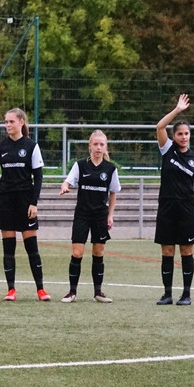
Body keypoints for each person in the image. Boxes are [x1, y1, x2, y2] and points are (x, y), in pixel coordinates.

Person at [0, 107, 50, 302]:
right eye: (6, 122)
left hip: (25, 201)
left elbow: (38, 177)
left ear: (21, 122)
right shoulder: (0, 147)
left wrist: (34, 203)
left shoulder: (31, 146)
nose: (7, 125)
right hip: (6, 201)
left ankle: (41, 290)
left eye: (11, 121)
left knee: (32, 249)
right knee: (8, 249)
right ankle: (11, 290)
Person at [154, 94, 194, 306]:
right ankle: (167, 294)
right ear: (174, 136)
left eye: (186, 134)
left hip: (187, 209)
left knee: (186, 251)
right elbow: (159, 126)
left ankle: (186, 294)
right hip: (167, 207)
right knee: (167, 251)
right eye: (180, 134)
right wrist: (177, 110)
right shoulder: (167, 149)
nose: (184, 137)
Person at [58, 130, 121, 303]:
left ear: (105, 147)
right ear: (90, 146)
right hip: (82, 214)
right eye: (95, 144)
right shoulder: (80, 165)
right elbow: (68, 181)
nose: (98, 147)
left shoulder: (110, 168)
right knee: (77, 253)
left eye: (102, 144)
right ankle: (72, 292)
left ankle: (98, 292)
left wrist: (110, 215)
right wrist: (64, 186)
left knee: (98, 252)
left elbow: (113, 192)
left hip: (100, 216)